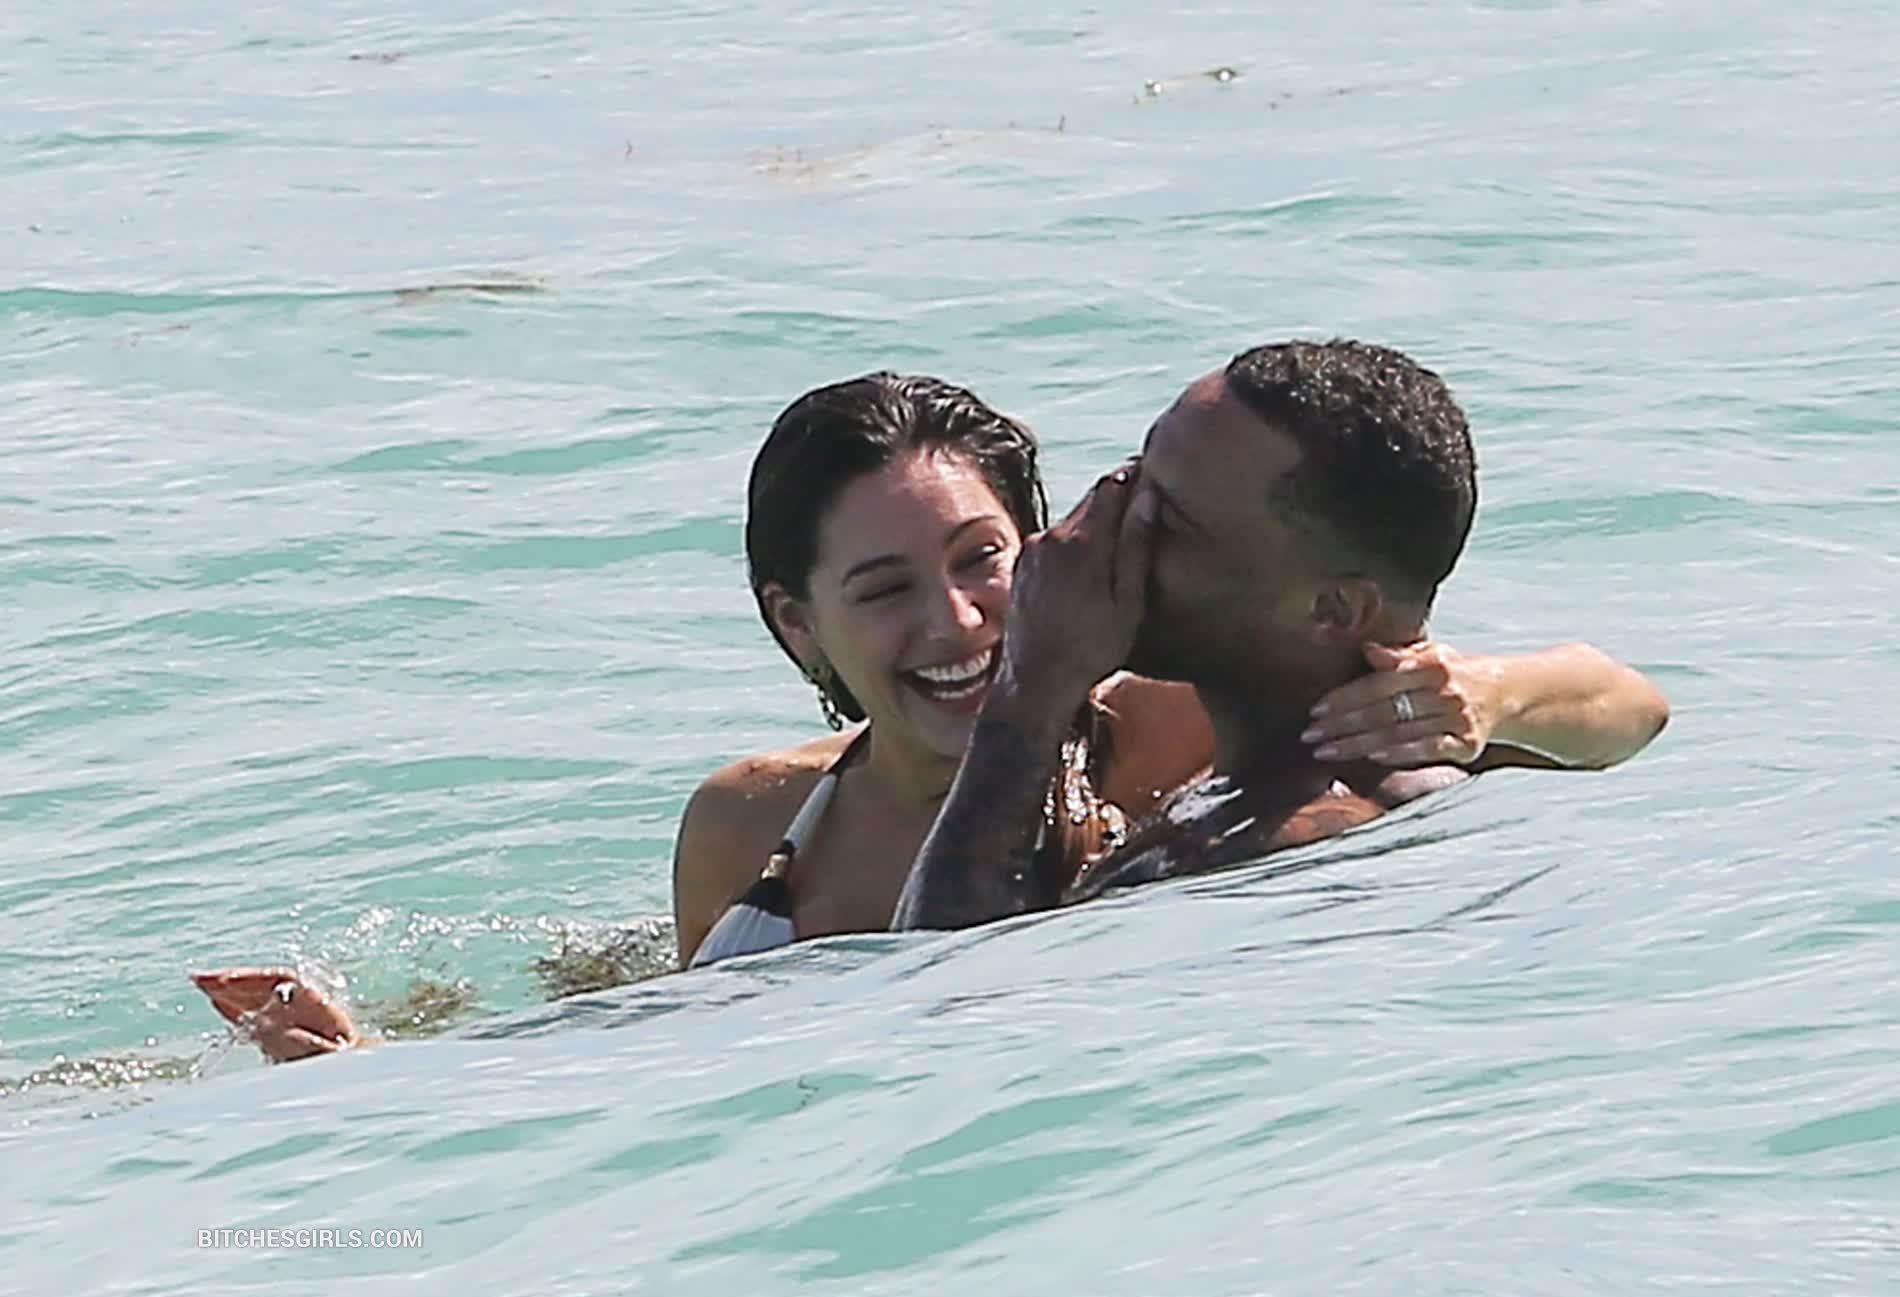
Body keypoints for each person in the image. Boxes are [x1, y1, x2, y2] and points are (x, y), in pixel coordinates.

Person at [196, 369, 1668, 1059]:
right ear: (800, 624)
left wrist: (1488, 688)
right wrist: (397, 1085)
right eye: (885, 588)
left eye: (984, 562)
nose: (958, 622)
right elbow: (674, 1054)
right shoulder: (754, 828)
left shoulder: (1177, 732)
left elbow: (1626, 702)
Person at [894, 339, 1667, 929]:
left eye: (1170, 521)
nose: (1109, 525)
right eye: (1136, 472)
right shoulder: (1290, 772)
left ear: (1332, 611)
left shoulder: (1277, 851)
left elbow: (947, 993)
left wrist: (1031, 687)